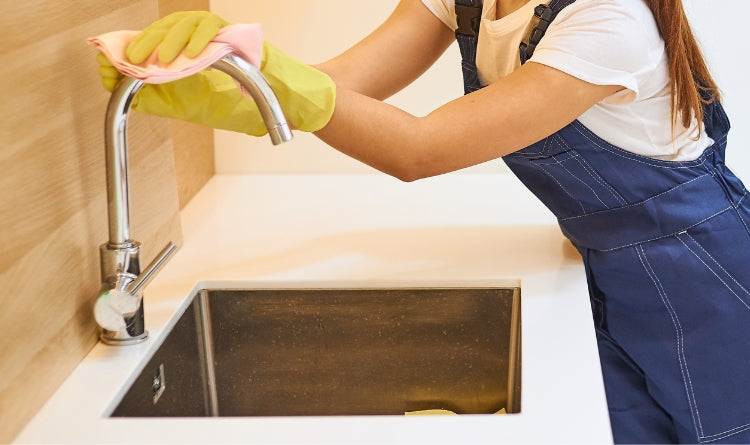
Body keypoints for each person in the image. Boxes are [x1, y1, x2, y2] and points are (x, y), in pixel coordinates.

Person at [96, 1, 750, 443]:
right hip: (598, 263)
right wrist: (232, 85)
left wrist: (284, 87)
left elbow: (421, 148)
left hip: (702, 275)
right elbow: (345, 83)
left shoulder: (609, 18)